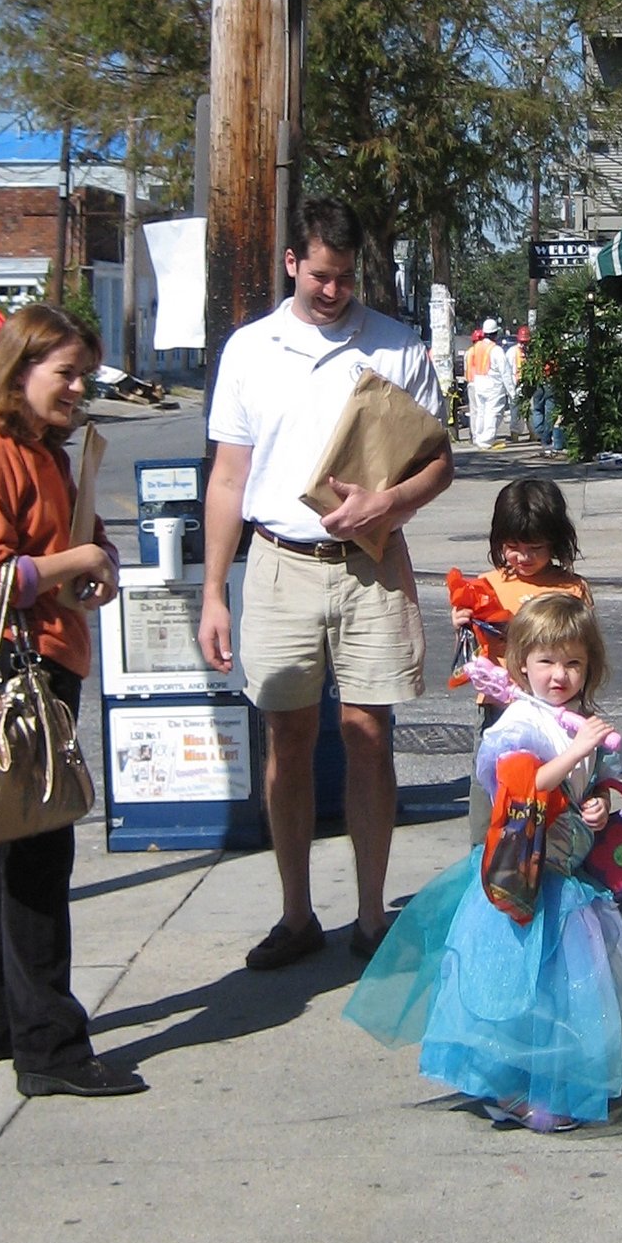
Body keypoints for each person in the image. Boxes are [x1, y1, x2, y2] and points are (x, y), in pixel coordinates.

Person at [196, 197, 453, 969]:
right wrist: (213, 591)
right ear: (291, 264)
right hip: (279, 563)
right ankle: (296, 912)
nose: (332, 291)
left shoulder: (398, 348)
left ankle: (372, 917)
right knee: (288, 735)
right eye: (319, 276)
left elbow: (440, 461)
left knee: (370, 735)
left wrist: (391, 501)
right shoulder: (250, 349)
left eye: (343, 278)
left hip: (370, 565)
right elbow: (227, 479)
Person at [0, 303, 143, 1098]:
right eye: (66, 373)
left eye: (85, 373)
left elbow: (66, 544)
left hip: (46, 655)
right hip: (12, 662)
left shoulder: (43, 448)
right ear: (18, 370)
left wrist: (97, 558)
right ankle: (48, 1046)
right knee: (39, 851)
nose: (79, 387)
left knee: (4, 837)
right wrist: (74, 558)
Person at [345, 593, 622, 1131]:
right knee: (515, 986)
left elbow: (582, 789)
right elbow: (524, 784)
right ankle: (507, 1084)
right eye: (547, 662)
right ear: (522, 664)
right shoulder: (520, 723)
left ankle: (551, 1078)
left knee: (560, 989)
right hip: (522, 879)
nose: (560, 675)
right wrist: (578, 751)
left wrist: (596, 804)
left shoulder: (577, 720)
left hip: (565, 876)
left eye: (574, 662)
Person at [452, 476, 594, 840]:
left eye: (536, 547)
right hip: (498, 709)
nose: (524, 557)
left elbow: (584, 649)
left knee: (551, 800)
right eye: (513, 547)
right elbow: (471, 654)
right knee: (489, 796)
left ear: (557, 543)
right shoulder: (487, 584)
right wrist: (463, 625)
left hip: (555, 711)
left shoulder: (570, 588)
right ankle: (482, 864)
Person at [466, 317, 514, 449]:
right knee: (493, 414)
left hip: (479, 383)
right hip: (493, 386)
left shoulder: (476, 347)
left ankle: (479, 437)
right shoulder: (496, 350)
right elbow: (505, 372)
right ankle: (486, 441)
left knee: (482, 412)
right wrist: (512, 392)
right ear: (495, 334)